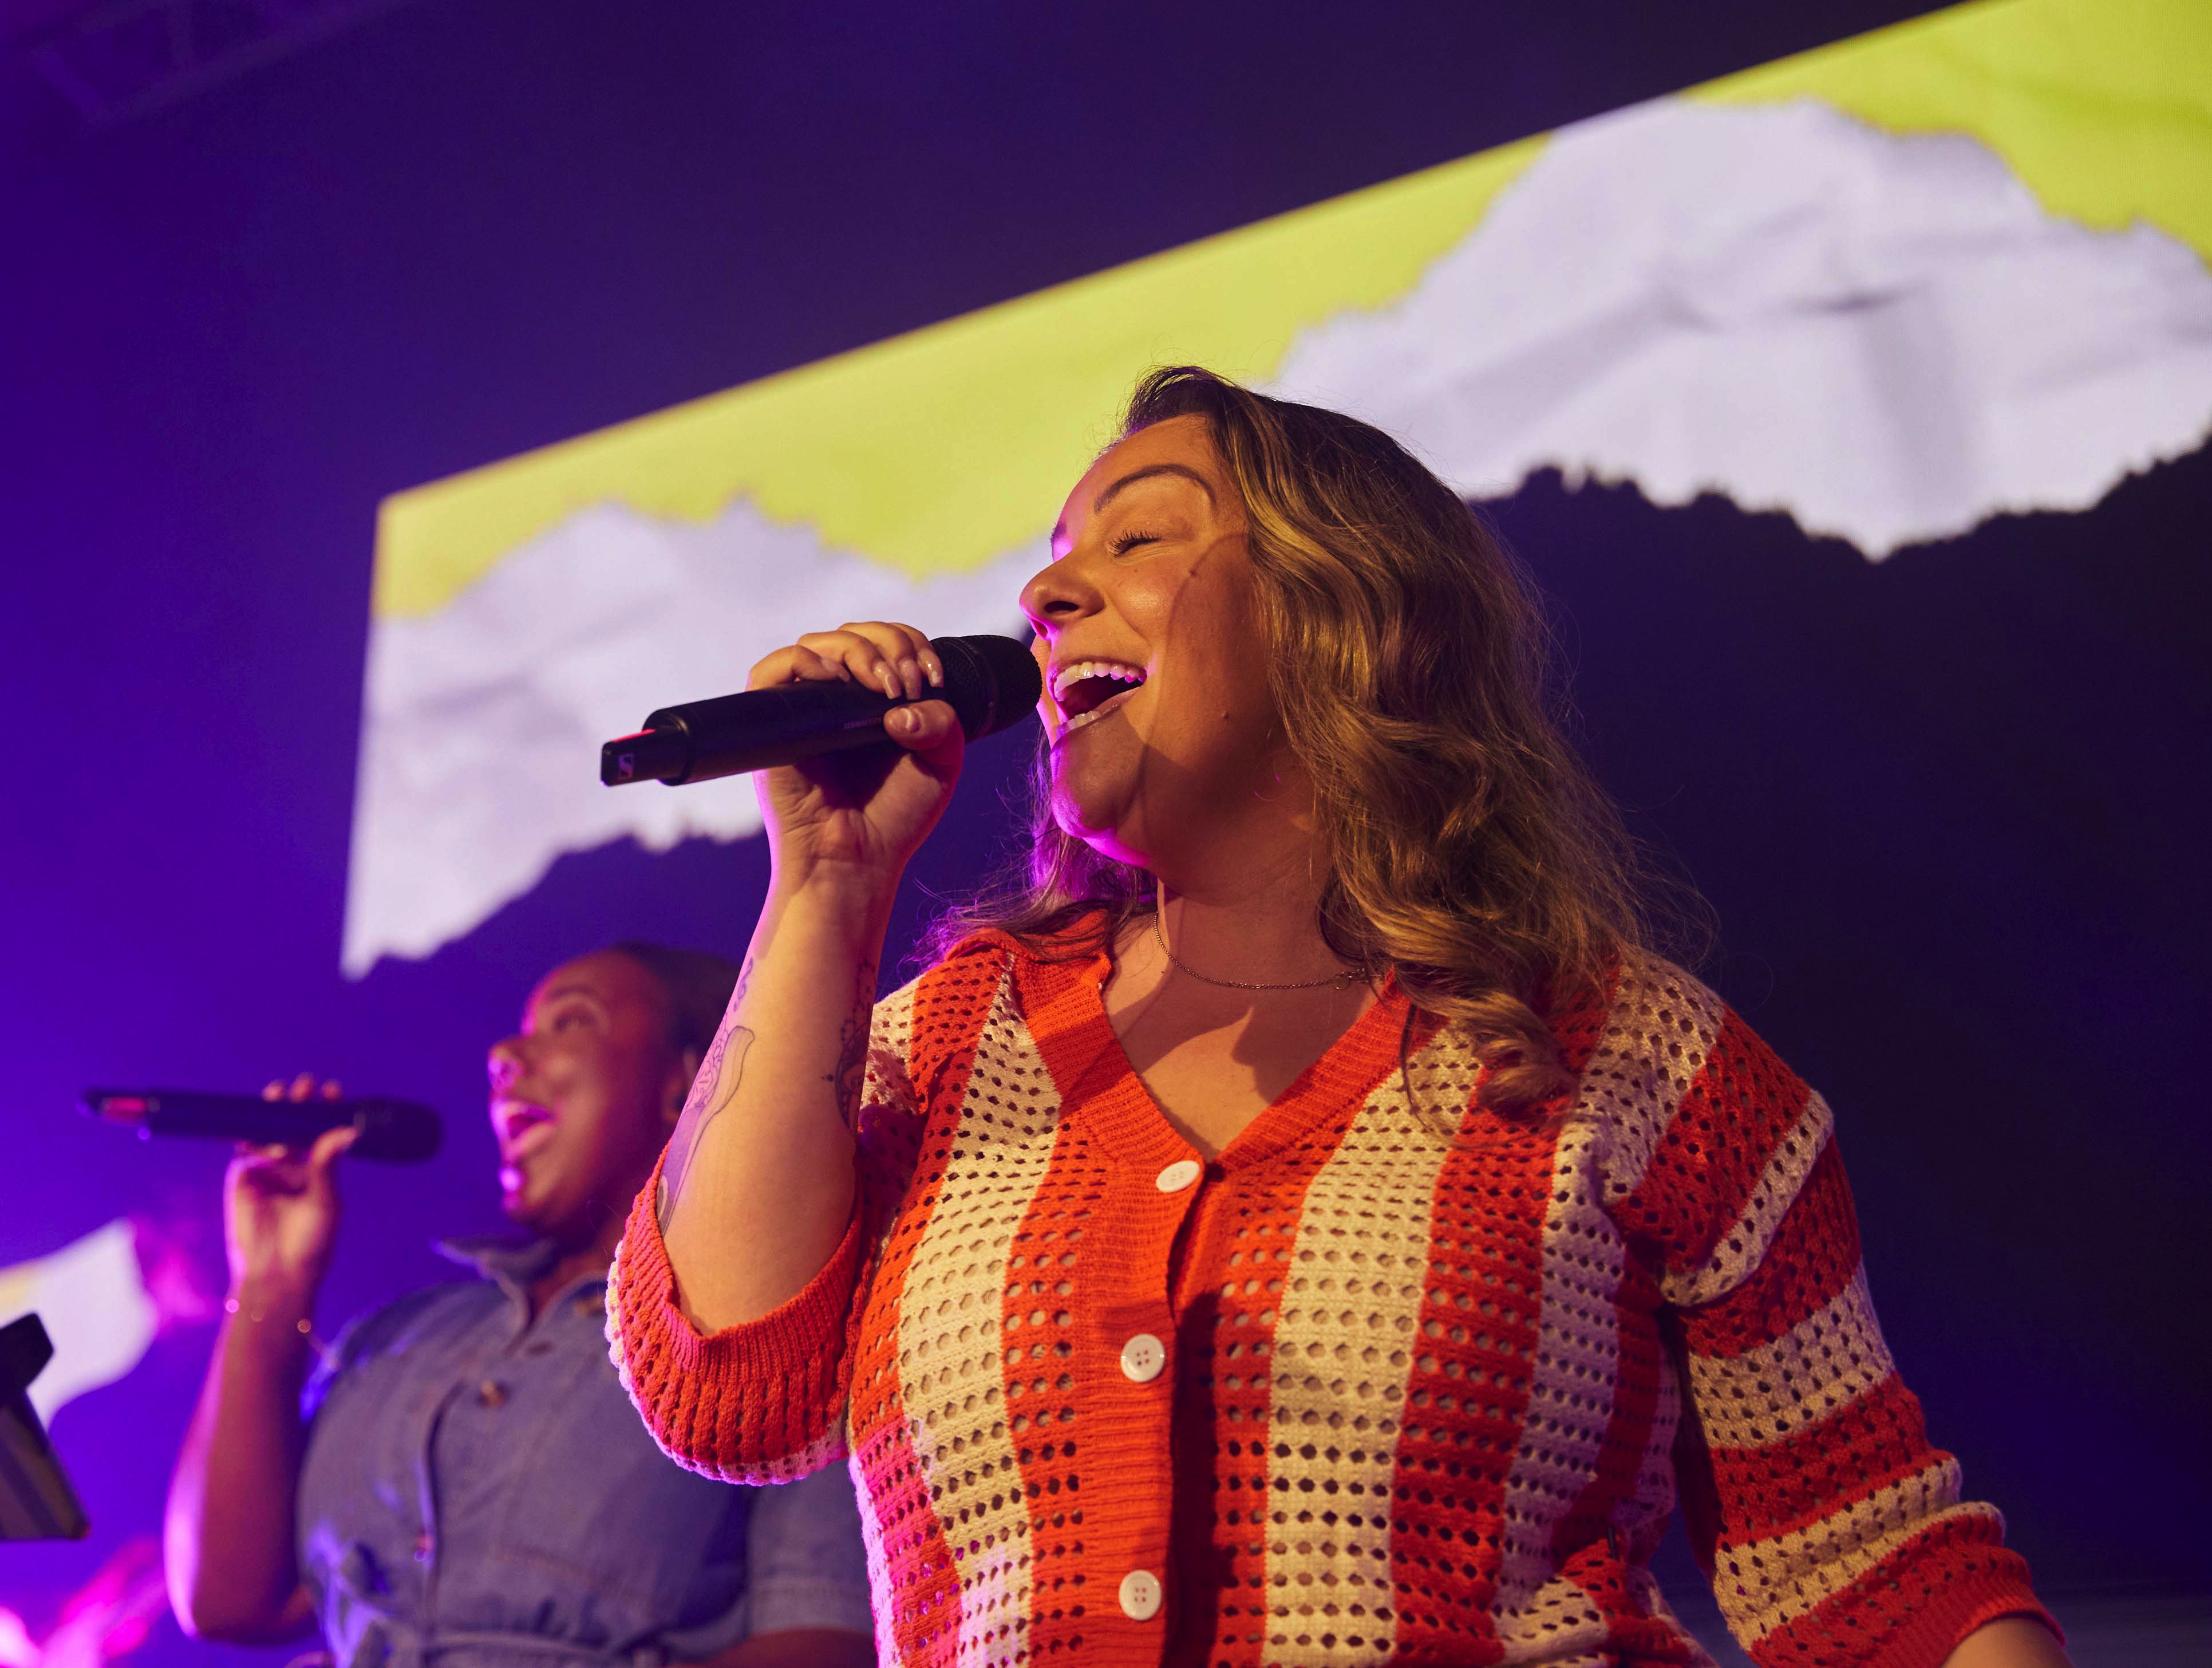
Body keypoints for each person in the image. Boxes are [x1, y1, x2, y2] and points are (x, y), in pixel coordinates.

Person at [607, 367, 2069, 1667]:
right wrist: (827, 880)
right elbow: (731, 1391)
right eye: (1053, 559)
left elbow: (1871, 1565)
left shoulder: (1623, 1056)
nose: (1046, 597)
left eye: (1138, 540)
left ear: (1344, 609)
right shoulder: (954, 1040)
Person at [164, 943, 876, 1668]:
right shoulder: (397, 1337)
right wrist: (270, 1282)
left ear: (689, 1081)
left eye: (571, 1022)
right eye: (520, 1031)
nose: (503, 1055)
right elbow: (226, 1601)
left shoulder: (771, 1343)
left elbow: (830, 1641)